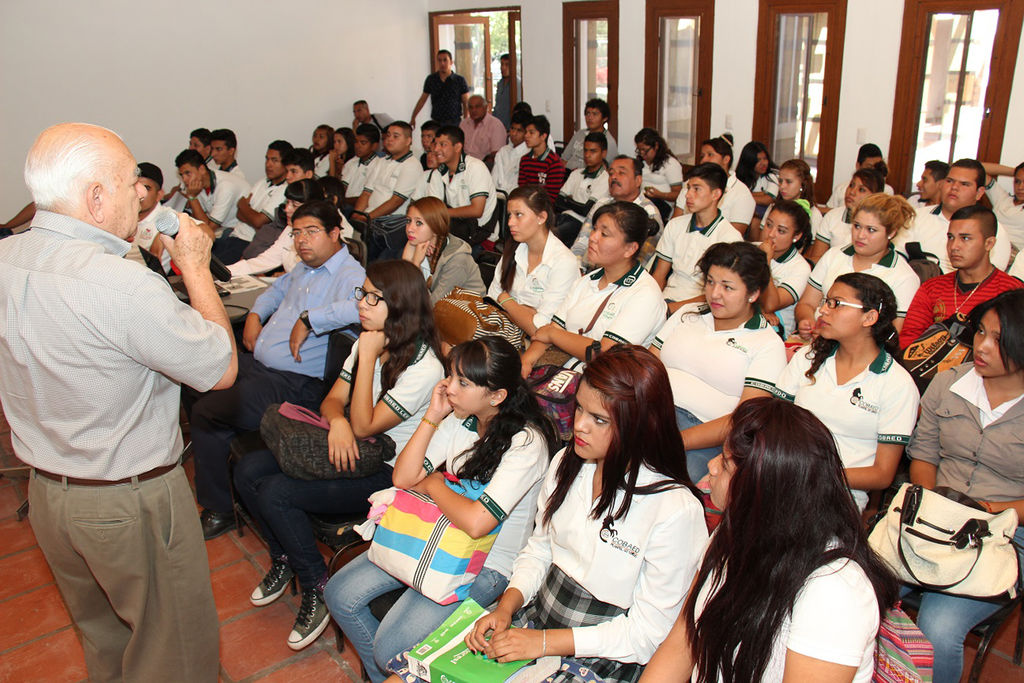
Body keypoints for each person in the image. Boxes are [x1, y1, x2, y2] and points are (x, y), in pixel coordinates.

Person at [0, 122, 238, 681]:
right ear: (96, 197)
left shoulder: (9, 256)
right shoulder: (119, 284)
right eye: (132, 181)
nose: (142, 193)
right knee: (174, 653)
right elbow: (220, 368)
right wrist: (195, 267)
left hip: (50, 492)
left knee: (106, 641)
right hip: (129, 501)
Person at [235, 259, 444, 651]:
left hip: (387, 471)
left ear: (399, 306)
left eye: (373, 298)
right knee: (248, 470)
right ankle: (284, 557)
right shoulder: (370, 339)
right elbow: (332, 401)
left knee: (277, 494)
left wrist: (367, 359)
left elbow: (366, 425)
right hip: (352, 447)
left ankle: (317, 585)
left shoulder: (423, 367)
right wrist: (338, 423)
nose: (361, 303)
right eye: (362, 293)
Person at [467, 345, 708, 682]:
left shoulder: (674, 510)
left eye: (599, 419)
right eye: (579, 408)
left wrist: (545, 643)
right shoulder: (567, 463)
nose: (578, 425)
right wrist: (507, 607)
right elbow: (540, 549)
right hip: (538, 617)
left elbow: (646, 634)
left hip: (603, 650)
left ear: (640, 426)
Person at [327, 336, 558, 682]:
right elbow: (404, 478)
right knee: (339, 594)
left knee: (389, 649)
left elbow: (477, 523)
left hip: (488, 564)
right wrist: (432, 416)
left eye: (463, 382)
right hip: (436, 533)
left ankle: (397, 673)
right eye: (451, 376)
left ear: (496, 396)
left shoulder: (526, 443)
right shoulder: (461, 418)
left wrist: (434, 484)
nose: (448, 387)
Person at [642, 397, 899, 682]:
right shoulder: (733, 533)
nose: (711, 467)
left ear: (765, 486)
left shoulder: (833, 593)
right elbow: (682, 643)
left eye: (725, 464)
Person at [190, 200, 365, 539]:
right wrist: (255, 316)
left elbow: (364, 307)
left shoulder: (351, 274)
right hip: (260, 367)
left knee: (208, 412)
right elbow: (274, 291)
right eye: (296, 233)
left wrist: (310, 319)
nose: (302, 240)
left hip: (295, 383)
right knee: (202, 378)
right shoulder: (304, 268)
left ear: (335, 233)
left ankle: (221, 508)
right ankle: (230, 481)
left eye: (311, 232)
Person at [905, 289, 1024, 683]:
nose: (982, 346)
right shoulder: (949, 382)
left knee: (938, 628)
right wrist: (930, 503)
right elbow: (924, 455)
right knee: (855, 584)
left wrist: (990, 511)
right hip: (935, 514)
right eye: (981, 332)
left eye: (999, 340)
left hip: (1006, 533)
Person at [776, 273, 919, 511]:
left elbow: (882, 474)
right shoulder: (808, 357)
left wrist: (814, 475)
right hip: (784, 476)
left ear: (869, 317)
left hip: (840, 494)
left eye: (837, 304)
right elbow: (773, 420)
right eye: (826, 301)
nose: (823, 310)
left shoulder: (897, 384)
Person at [651, 241, 787, 482]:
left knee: (664, 481)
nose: (715, 294)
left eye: (727, 287)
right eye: (710, 282)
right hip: (651, 411)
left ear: (753, 293)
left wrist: (676, 441)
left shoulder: (767, 343)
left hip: (702, 435)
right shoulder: (687, 314)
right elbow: (648, 365)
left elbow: (744, 420)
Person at [522, 202, 667, 374]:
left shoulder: (645, 293)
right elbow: (551, 330)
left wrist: (553, 335)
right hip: (562, 372)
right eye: (594, 229)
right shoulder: (585, 281)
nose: (593, 237)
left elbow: (604, 354)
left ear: (630, 249)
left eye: (604, 234)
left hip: (604, 382)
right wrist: (526, 362)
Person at [795, 193, 920, 338]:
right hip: (817, 339)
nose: (860, 235)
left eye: (871, 230)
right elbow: (807, 303)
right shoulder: (834, 255)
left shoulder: (904, 276)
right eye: (857, 226)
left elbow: (893, 334)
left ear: (891, 233)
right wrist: (807, 321)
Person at [901, 205, 1022, 350]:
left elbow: (1015, 350)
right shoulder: (932, 287)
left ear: (989, 243)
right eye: (950, 237)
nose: (954, 246)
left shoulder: (1011, 292)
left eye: (965, 238)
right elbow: (908, 341)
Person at [488, 185, 579, 337]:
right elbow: (491, 302)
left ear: (541, 218)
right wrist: (524, 312)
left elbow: (539, 330)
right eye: (510, 215)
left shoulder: (564, 262)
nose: (510, 222)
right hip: (502, 332)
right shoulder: (514, 249)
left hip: (536, 344)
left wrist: (505, 300)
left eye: (518, 215)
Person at [652, 163, 742, 314]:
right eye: (688, 188)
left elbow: (719, 292)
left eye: (696, 189)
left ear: (715, 194)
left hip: (703, 308)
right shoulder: (675, 225)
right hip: (667, 300)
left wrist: (672, 309)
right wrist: (651, 303)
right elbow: (659, 275)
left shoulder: (729, 237)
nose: (688, 195)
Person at [895, 158, 1012, 272]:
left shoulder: (994, 231)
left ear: (979, 193)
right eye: (949, 181)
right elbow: (897, 260)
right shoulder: (915, 217)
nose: (954, 187)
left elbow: (991, 278)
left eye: (964, 184)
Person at [569, 156, 664, 266]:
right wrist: (577, 267)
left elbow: (642, 259)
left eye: (621, 173)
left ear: (638, 180)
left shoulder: (649, 212)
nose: (613, 177)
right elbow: (582, 242)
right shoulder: (602, 203)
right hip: (587, 269)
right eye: (611, 173)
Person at [353, 121, 423, 260]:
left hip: (389, 222)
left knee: (368, 256)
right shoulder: (381, 161)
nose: (390, 139)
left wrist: (367, 218)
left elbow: (396, 201)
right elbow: (366, 192)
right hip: (368, 218)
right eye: (388, 135)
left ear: (408, 141)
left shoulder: (412, 165)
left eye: (395, 136)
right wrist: (357, 215)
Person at [229, 178, 325, 276]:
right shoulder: (290, 229)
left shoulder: (322, 236)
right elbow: (266, 260)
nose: (287, 209)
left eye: (295, 205)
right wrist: (226, 271)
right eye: (287, 202)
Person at [401, 196, 484, 303]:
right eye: (408, 221)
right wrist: (407, 258)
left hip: (467, 311)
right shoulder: (416, 246)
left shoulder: (458, 259)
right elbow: (402, 295)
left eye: (419, 223)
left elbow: (432, 307)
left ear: (436, 227)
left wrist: (415, 266)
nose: (410, 229)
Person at [175, 147, 251, 263]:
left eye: (188, 173)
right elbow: (203, 223)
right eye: (182, 175)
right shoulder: (197, 185)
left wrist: (192, 197)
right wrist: (193, 197)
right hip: (222, 232)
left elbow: (208, 229)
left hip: (241, 235)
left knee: (206, 260)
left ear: (201, 169)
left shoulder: (225, 186)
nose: (185, 180)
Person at [425, 125, 498, 245]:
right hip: (452, 229)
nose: (436, 149)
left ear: (457, 147)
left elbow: (477, 210)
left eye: (442, 144)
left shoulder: (475, 167)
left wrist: (443, 213)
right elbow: (433, 208)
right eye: (435, 144)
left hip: (478, 233)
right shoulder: (438, 172)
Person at [226, 139, 294, 262]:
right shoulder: (262, 182)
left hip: (248, 242)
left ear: (286, 164)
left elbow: (258, 222)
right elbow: (239, 214)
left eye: (274, 160)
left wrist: (243, 205)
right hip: (234, 235)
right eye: (267, 159)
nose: (268, 164)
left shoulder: (285, 189)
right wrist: (250, 214)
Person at [674, 135, 755, 233]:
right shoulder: (691, 184)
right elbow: (675, 222)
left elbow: (733, 237)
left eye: (710, 155)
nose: (703, 160)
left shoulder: (742, 193)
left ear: (726, 159)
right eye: (702, 156)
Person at [757, 199, 813, 336]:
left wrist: (766, 261)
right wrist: (758, 309)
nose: (771, 234)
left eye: (781, 231)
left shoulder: (800, 268)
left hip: (775, 331)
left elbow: (771, 305)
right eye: (768, 225)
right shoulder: (752, 249)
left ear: (796, 236)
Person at [807, 167, 886, 261]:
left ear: (875, 196)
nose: (852, 192)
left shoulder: (882, 223)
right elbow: (817, 258)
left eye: (861, 190)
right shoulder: (832, 216)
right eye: (851, 185)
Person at [553, 131, 610, 245]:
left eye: (593, 151)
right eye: (585, 150)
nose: (587, 155)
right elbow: (558, 202)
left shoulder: (605, 178)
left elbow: (587, 210)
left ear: (603, 153)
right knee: (535, 227)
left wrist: (567, 200)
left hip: (581, 224)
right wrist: (574, 203)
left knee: (552, 236)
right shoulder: (576, 173)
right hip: (563, 216)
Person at [752, 158, 822, 243]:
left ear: (803, 184)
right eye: (780, 181)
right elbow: (762, 241)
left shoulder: (814, 214)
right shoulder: (773, 207)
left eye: (788, 182)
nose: (782, 186)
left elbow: (811, 249)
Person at [410, 49, 469, 127]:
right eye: (439, 60)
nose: (442, 63)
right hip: (436, 122)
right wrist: (413, 117)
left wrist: (466, 122)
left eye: (445, 60)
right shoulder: (431, 79)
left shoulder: (459, 80)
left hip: (455, 122)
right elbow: (422, 100)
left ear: (451, 62)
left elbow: (466, 103)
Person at [825, 143, 895, 208]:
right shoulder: (841, 189)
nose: (852, 192)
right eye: (869, 167)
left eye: (877, 167)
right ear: (858, 166)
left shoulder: (887, 192)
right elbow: (829, 211)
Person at [635, 127, 683, 220]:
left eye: (645, 150)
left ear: (656, 146)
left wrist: (659, 194)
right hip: (643, 199)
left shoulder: (670, 163)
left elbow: (678, 193)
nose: (642, 154)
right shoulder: (641, 162)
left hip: (663, 202)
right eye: (639, 150)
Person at [518, 115, 567, 203]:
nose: (526, 136)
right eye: (526, 132)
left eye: (531, 133)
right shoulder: (524, 160)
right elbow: (522, 189)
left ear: (543, 136)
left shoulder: (554, 163)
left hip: (545, 206)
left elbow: (552, 197)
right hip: (527, 204)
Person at [561, 98, 618, 170]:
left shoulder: (608, 141)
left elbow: (605, 169)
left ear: (604, 118)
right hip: (568, 173)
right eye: (588, 113)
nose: (590, 118)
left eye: (595, 114)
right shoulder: (580, 133)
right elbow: (564, 159)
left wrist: (573, 168)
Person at [981, 160, 1024, 247]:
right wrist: (1015, 171)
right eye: (1017, 181)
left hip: (1015, 252)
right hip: (990, 247)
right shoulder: (1002, 199)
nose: (1020, 187)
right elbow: (977, 168)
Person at [342, 123, 383, 211]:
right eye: (356, 142)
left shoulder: (378, 165)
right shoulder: (352, 162)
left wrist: (342, 201)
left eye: (363, 143)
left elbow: (368, 198)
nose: (357, 146)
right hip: (345, 204)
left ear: (374, 146)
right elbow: (342, 188)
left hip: (362, 208)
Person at [460, 94, 507, 166]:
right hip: (463, 164)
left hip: (483, 166)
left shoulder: (495, 125)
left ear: (485, 107)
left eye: (477, 107)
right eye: (471, 107)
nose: (474, 110)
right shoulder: (464, 124)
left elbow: (497, 154)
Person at [491, 110, 530, 194]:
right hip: (498, 195)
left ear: (526, 133)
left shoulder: (529, 154)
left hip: (516, 196)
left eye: (519, 130)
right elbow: (494, 179)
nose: (514, 133)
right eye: (512, 128)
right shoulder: (503, 151)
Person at [492, 53, 520, 129]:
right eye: (502, 64)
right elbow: (498, 105)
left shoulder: (516, 84)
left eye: (507, 65)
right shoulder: (500, 84)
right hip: (498, 125)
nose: (503, 68)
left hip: (509, 126)